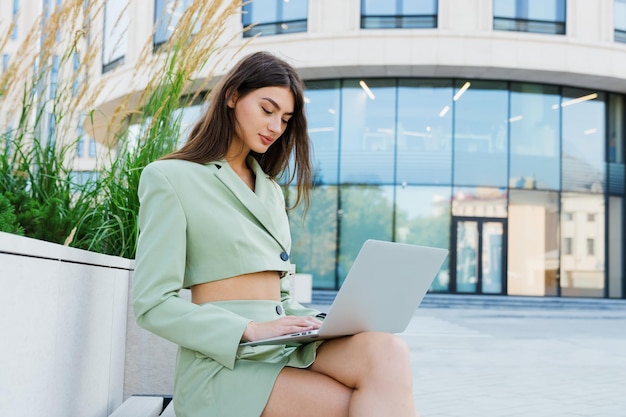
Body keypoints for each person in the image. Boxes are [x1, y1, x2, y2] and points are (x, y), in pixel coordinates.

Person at [132, 51, 419, 417]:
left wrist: (321, 323)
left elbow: (281, 294)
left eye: (285, 119)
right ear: (233, 96)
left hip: (283, 344)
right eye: (267, 110)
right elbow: (152, 304)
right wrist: (249, 329)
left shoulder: (270, 190)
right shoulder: (171, 178)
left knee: (388, 351)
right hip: (227, 361)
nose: (275, 127)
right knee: (359, 406)